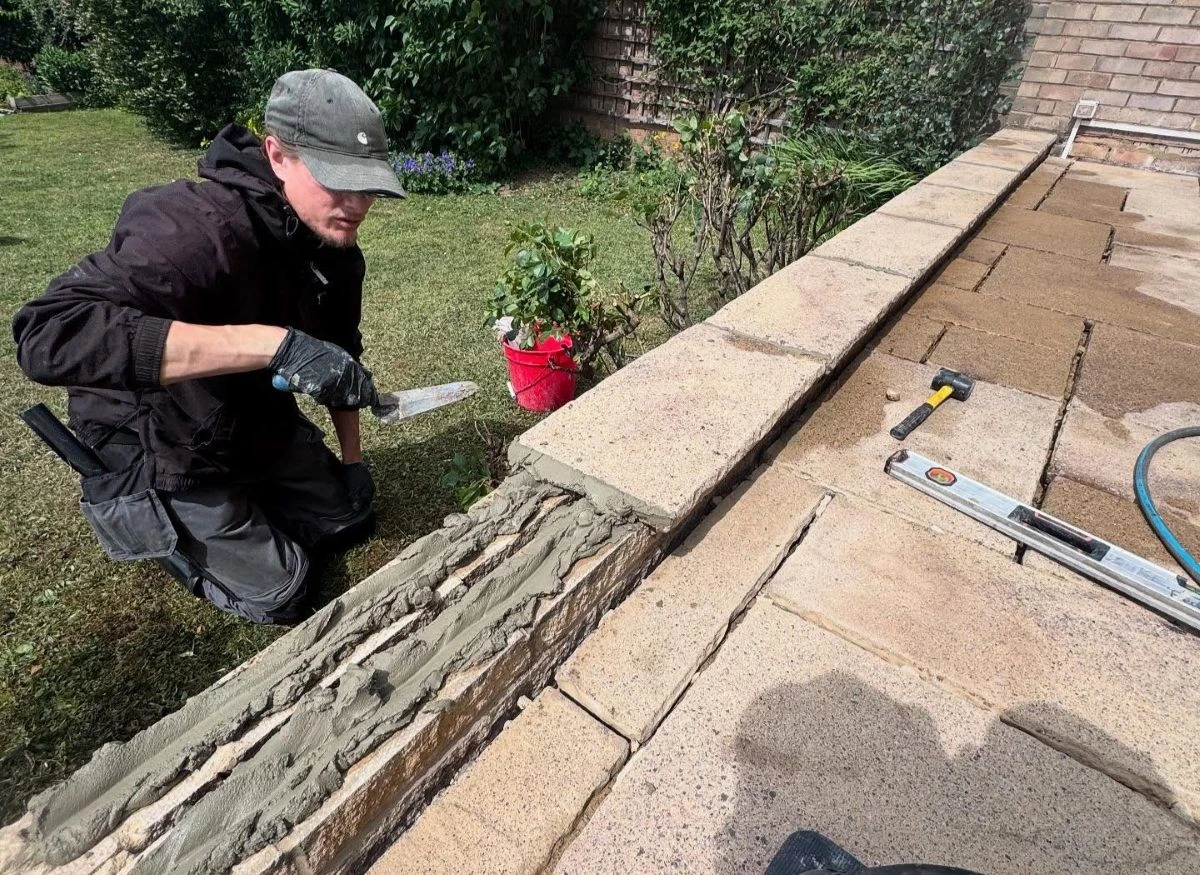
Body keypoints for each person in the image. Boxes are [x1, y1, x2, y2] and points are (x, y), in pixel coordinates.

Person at [12, 68, 407, 625]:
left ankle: (255, 492)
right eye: (335, 178)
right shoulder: (195, 227)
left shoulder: (336, 252)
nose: (357, 203)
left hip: (246, 413)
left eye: (366, 183)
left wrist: (354, 459)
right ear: (277, 155)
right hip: (161, 435)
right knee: (285, 593)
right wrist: (274, 345)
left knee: (349, 523)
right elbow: (48, 332)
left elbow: (341, 356)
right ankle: (160, 519)